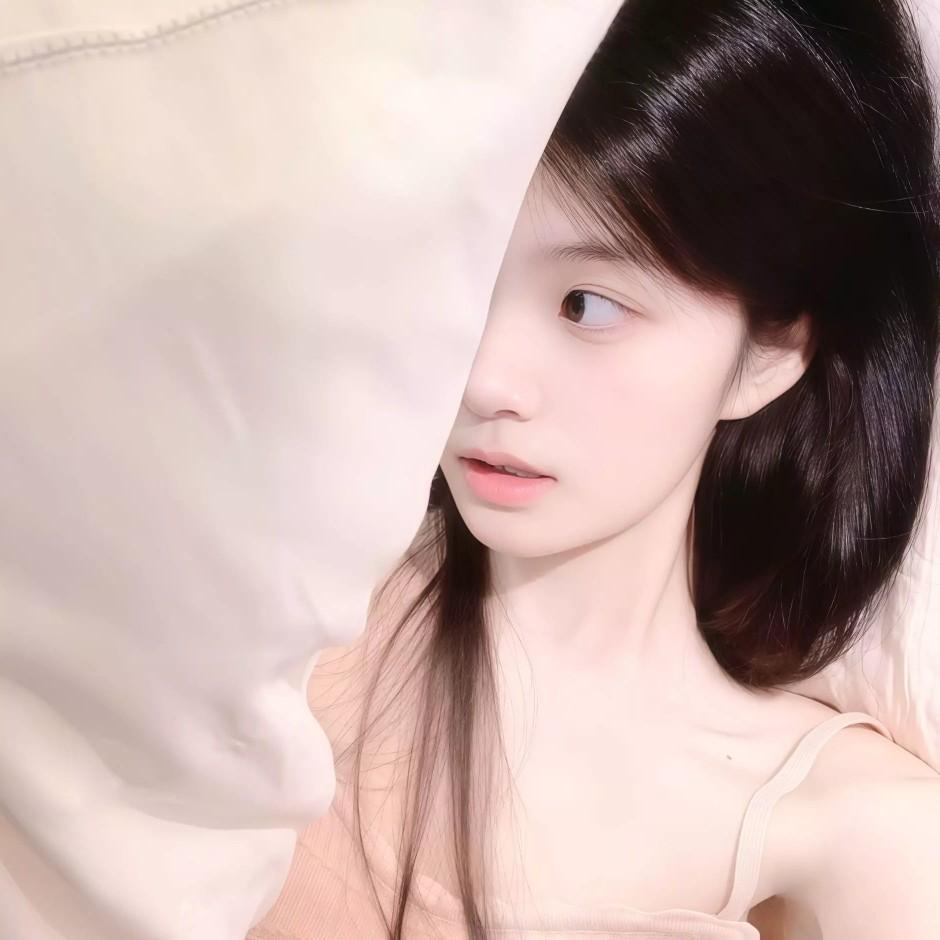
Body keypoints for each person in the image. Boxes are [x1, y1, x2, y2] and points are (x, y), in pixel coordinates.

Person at [248, 1, 940, 937]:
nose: (484, 378)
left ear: (771, 351)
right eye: (460, 279)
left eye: (587, 305)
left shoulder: (863, 836)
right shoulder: (268, 626)